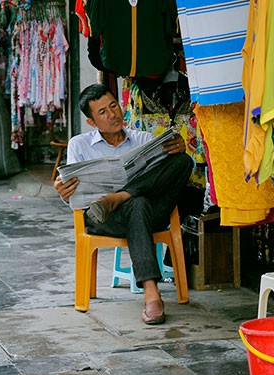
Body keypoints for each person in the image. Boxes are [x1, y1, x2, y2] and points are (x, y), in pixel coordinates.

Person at [54, 83, 192, 325]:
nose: (113, 115)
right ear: (92, 122)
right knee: (137, 204)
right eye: (103, 112)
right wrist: (63, 191)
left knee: (182, 161)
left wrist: (177, 149)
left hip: (152, 212)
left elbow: (170, 171)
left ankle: (121, 196)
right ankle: (151, 293)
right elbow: (73, 194)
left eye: (113, 106)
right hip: (104, 218)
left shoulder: (143, 139)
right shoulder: (79, 145)